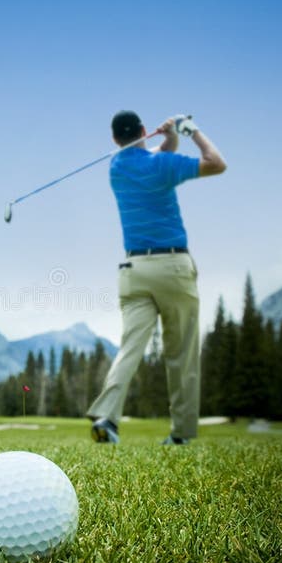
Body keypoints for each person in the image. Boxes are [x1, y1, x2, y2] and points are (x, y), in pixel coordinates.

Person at [88, 111, 227, 446]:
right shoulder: (163, 167)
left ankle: (107, 416)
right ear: (142, 132)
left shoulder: (117, 168)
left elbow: (155, 159)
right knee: (181, 353)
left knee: (130, 347)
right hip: (173, 268)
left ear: (114, 140)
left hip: (134, 272)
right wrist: (190, 130)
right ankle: (180, 434)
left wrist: (168, 138)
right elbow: (216, 163)